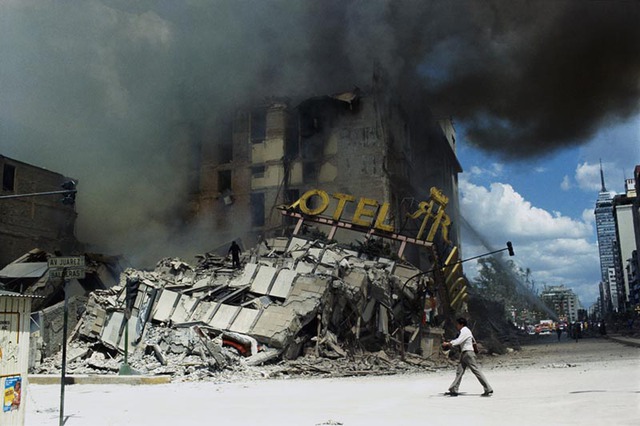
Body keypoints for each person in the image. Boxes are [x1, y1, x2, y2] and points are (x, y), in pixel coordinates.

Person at [441, 317, 493, 397]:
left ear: (461, 324)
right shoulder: (466, 331)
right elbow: (473, 341)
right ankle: (453, 389)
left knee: (476, 371)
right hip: (465, 353)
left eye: (457, 324)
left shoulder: (465, 331)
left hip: (468, 353)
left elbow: (459, 341)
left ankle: (488, 388)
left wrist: (448, 343)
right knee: (459, 371)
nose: (456, 326)